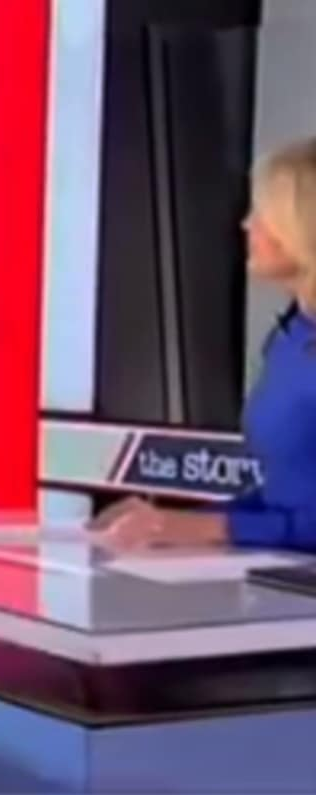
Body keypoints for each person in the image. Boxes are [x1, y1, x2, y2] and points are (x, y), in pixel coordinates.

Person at [95, 135, 316, 552]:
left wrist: (216, 528)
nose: (246, 225)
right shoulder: (293, 336)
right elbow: (289, 500)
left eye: (262, 213)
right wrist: (166, 524)